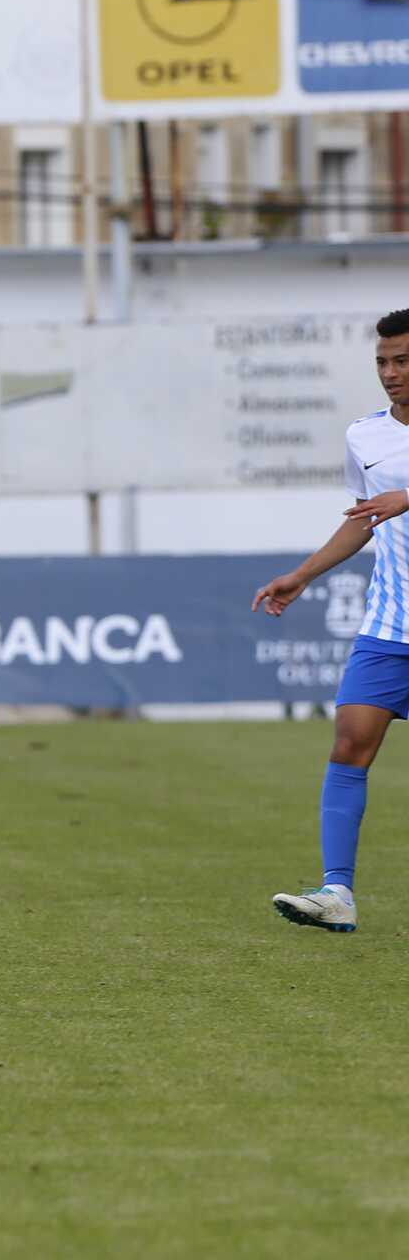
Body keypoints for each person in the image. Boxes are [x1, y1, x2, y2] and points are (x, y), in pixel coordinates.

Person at [255, 307, 409, 933]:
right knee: (348, 744)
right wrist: (303, 574)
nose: (390, 372)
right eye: (382, 362)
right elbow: (362, 518)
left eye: (403, 360)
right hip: (390, 627)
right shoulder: (365, 437)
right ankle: (337, 892)